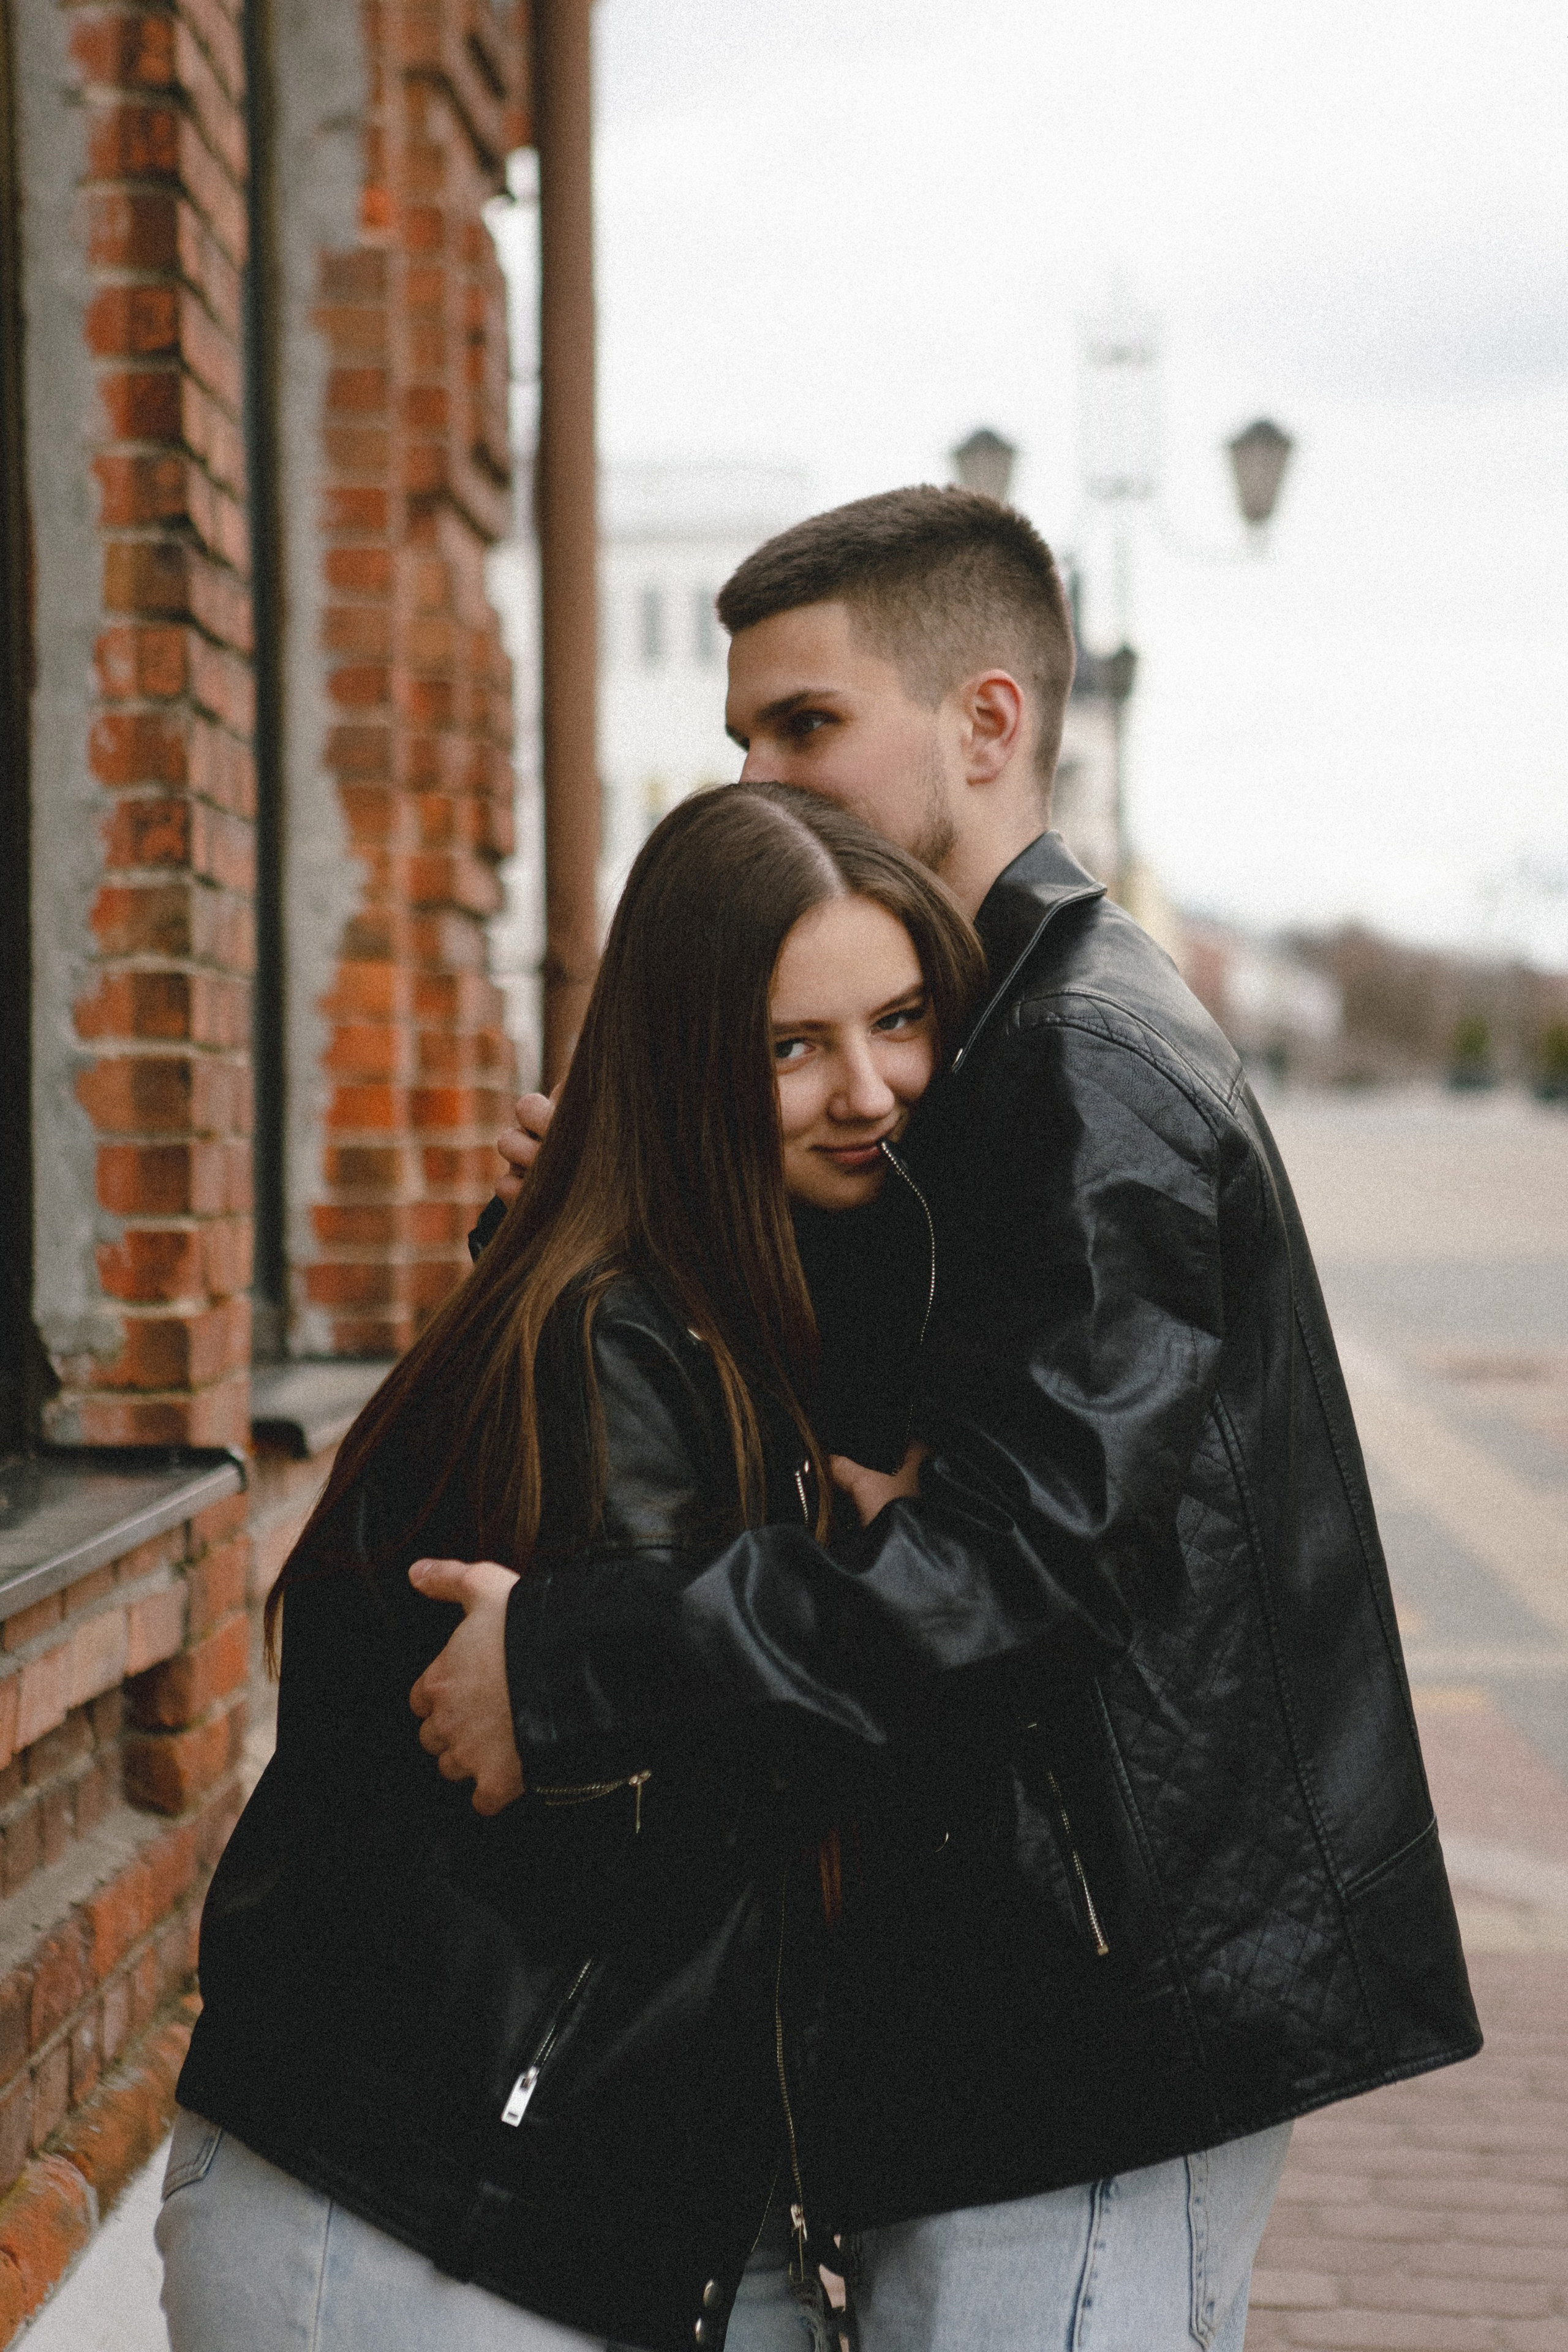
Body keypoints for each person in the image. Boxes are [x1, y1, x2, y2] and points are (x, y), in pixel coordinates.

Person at [419, 485, 1482, 2352]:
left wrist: (570, 1664)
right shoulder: (986, 1049)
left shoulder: (1086, 1065)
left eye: (805, 725)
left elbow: (1015, 1558)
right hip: (1046, 2004)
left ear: (988, 724)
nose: (758, 774)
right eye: (741, 733)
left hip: (1093, 2017)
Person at [156, 781, 986, 2352]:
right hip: (416, 2210)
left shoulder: (720, 1306)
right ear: (683, 1072)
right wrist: (890, 1555)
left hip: (567, 2201)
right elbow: (714, 1779)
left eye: (898, 1021)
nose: (869, 1090)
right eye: (790, 1048)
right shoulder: (608, 1344)